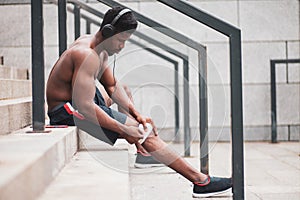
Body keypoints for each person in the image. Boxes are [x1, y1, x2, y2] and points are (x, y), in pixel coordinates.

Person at [46, 6, 232, 198]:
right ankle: (201, 181)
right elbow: (85, 107)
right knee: (145, 133)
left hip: (81, 101)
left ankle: (143, 152)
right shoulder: (86, 55)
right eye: (120, 41)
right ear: (107, 32)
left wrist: (137, 115)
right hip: (66, 111)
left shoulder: (97, 48)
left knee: (124, 91)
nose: (121, 47)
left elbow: (111, 86)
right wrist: (126, 130)